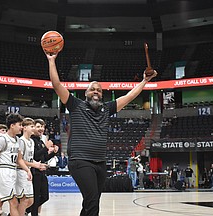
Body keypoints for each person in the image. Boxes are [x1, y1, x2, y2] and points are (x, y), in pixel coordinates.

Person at [46, 50, 157, 216]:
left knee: (92, 202)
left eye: (98, 90)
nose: (96, 91)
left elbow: (129, 96)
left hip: (100, 162)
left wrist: (144, 81)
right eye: (92, 89)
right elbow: (57, 85)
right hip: (80, 160)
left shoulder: (107, 109)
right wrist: (51, 60)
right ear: (86, 94)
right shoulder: (75, 105)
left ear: (102, 94)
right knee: (92, 201)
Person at [0, 113, 32, 216]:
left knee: (17, 200)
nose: (21, 127)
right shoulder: (3, 139)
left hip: (13, 171)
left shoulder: (18, 140)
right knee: (13, 201)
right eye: (20, 125)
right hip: (4, 171)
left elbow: (19, 159)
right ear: (12, 125)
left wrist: (27, 170)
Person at [27, 119, 58, 216]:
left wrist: (53, 153)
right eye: (38, 126)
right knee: (36, 198)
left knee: (45, 196)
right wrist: (46, 148)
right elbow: (34, 156)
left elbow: (43, 157)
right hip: (34, 172)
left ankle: (25, 210)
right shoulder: (31, 140)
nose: (41, 129)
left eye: (42, 127)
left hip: (42, 172)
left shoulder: (41, 141)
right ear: (33, 128)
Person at [17, 117, 47, 216]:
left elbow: (30, 159)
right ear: (24, 128)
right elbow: (19, 160)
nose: (34, 128)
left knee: (30, 201)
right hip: (21, 171)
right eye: (32, 126)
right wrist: (34, 165)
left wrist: (38, 164)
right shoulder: (21, 141)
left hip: (28, 171)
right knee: (23, 200)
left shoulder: (30, 141)